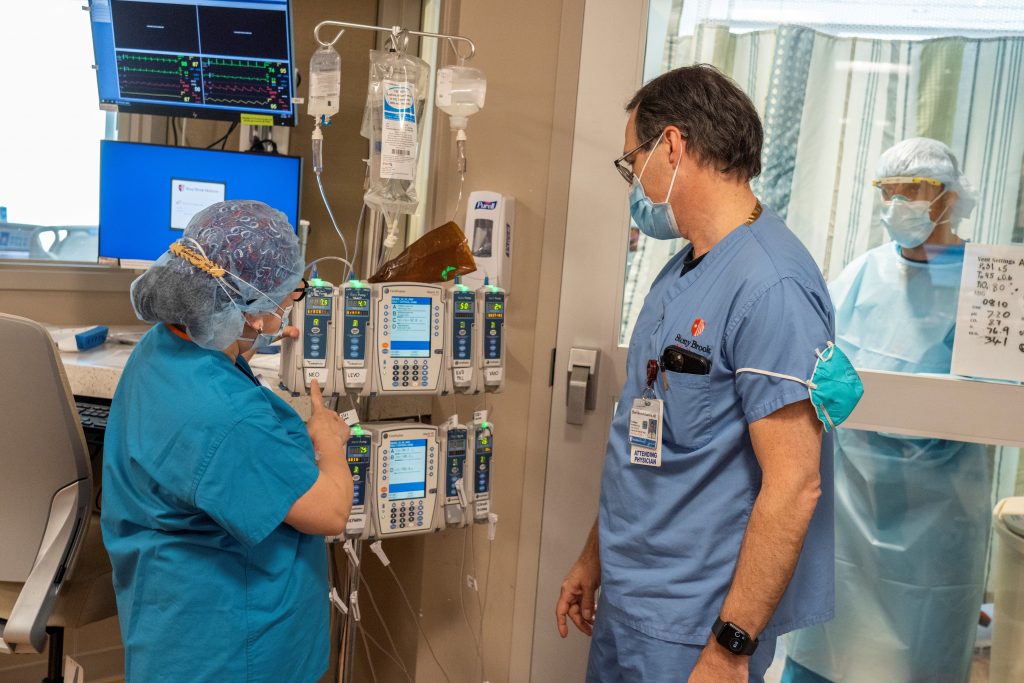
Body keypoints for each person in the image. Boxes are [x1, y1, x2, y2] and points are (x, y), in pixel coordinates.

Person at [556, 64, 859, 683]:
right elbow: (649, 440)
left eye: (631, 162)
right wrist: (598, 557)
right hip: (633, 602)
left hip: (696, 629)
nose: (633, 182)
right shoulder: (683, 271)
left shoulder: (772, 286)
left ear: (671, 146)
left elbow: (795, 485)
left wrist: (730, 648)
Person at [101, 200, 353, 683]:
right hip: (234, 651)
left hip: (172, 629)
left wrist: (247, 335)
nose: (291, 299)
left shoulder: (161, 347)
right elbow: (329, 511)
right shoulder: (227, 416)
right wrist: (329, 441)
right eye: (288, 292)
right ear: (252, 309)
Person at [782, 138, 992, 683]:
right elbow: (816, 357)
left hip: (938, 510)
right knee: (828, 643)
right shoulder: (861, 275)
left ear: (949, 198)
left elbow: (997, 392)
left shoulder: (987, 288)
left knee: (916, 655)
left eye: (915, 190)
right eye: (889, 191)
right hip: (853, 497)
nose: (900, 203)